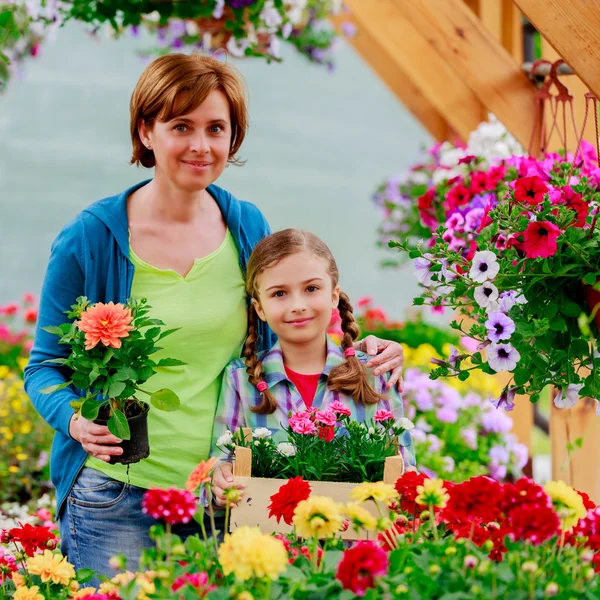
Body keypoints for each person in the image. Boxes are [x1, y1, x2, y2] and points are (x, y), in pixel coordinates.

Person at [24, 54, 406, 582]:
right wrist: (75, 421)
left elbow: (291, 321)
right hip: (115, 496)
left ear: (233, 137)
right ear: (147, 131)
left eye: (216, 128)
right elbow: (42, 368)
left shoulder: (246, 226)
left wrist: (367, 353)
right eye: (181, 126)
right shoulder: (91, 238)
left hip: (229, 497)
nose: (200, 146)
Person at [210, 229, 416, 507]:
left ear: (334, 295)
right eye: (279, 293)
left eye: (311, 289)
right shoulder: (241, 379)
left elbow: (404, 469)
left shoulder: (374, 373)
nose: (297, 305)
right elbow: (222, 462)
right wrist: (220, 481)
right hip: (269, 542)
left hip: (355, 542)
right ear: (259, 309)